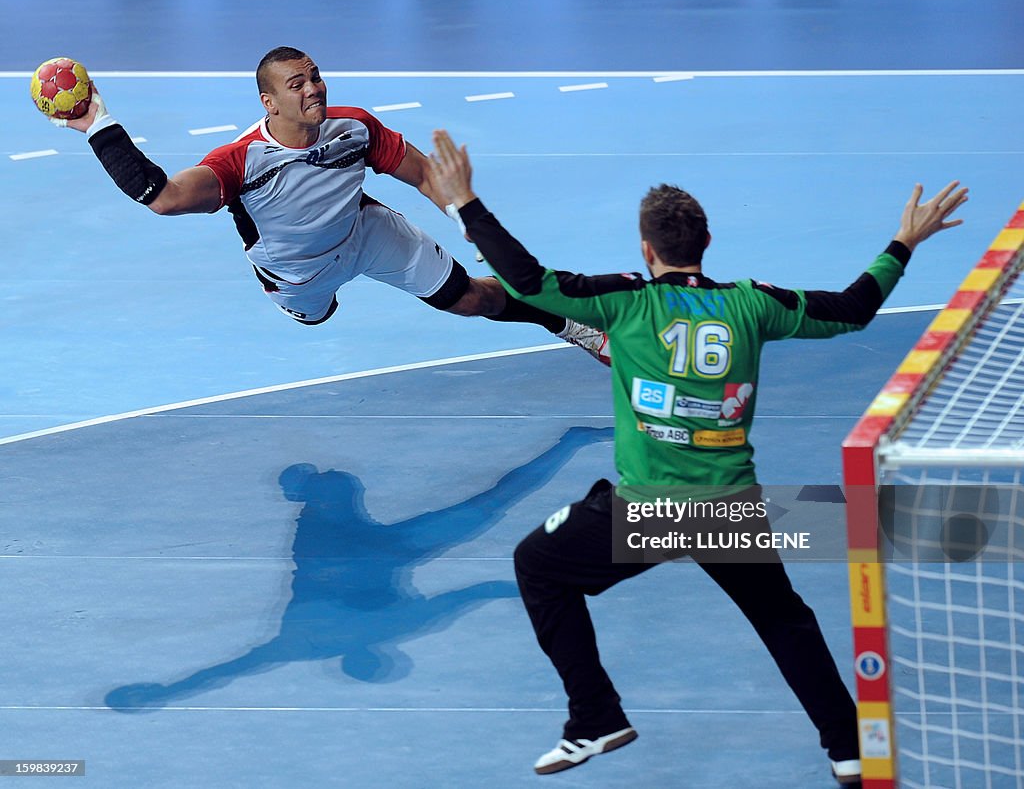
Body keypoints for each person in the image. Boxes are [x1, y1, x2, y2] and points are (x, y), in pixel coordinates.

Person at [426, 128, 968, 784]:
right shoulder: (751, 305)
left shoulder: (625, 301)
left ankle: (594, 717)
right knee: (783, 621)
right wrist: (902, 243)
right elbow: (855, 308)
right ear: (706, 244)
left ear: (646, 248)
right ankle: (849, 747)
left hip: (649, 512)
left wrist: (465, 205)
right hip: (730, 507)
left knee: (537, 565)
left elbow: (528, 280)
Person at [50, 47, 607, 360]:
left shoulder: (354, 127)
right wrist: (99, 125)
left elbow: (424, 176)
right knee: (317, 319)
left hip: (367, 235)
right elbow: (164, 198)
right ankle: (317, 300)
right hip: (295, 273)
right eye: (297, 84)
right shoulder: (241, 161)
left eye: (315, 76)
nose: (314, 88)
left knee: (468, 300)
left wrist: (474, 229)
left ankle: (570, 324)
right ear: (269, 102)